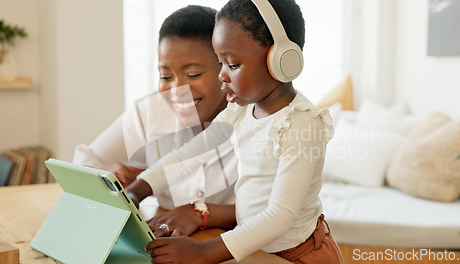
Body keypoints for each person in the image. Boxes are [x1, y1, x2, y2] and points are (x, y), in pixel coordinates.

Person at [126, 0, 343, 263]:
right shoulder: (241, 110)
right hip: (256, 247)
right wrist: (137, 190)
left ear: (280, 60)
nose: (221, 75)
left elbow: (281, 215)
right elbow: (189, 155)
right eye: (220, 63)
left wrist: (205, 251)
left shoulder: (302, 122)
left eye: (233, 64)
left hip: (297, 255)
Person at [72, 5, 239, 238]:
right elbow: (85, 162)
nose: (176, 89)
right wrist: (111, 180)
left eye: (193, 74)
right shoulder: (150, 112)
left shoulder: (256, 119)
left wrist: (201, 213)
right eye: (165, 76)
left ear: (225, 69)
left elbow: (275, 208)